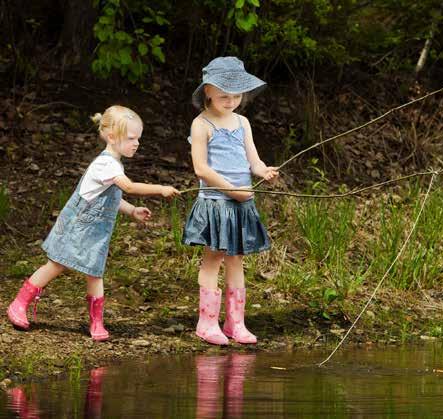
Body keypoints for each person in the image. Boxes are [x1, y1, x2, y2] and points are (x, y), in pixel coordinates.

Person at [7, 105, 180, 341]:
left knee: (95, 272)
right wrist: (160, 189)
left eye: (138, 138)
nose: (136, 143)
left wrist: (131, 210)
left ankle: (96, 321)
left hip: (97, 231)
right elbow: (128, 187)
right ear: (111, 137)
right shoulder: (105, 164)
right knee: (57, 263)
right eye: (131, 138)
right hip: (78, 223)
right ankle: (19, 303)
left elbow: (111, 197)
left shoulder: (115, 164)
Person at [182, 57, 278, 345]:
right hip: (215, 201)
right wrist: (230, 189)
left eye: (237, 95)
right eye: (224, 95)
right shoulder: (202, 125)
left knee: (236, 260)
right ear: (208, 91)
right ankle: (206, 322)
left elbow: (253, 160)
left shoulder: (243, 122)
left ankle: (235, 322)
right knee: (213, 259)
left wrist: (263, 170)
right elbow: (201, 168)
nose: (231, 101)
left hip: (241, 202)